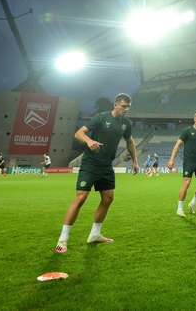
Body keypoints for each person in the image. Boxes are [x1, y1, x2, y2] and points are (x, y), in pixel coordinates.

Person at [54, 93, 138, 253]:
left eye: (128, 107)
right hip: (91, 163)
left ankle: (95, 234)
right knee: (80, 198)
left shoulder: (126, 123)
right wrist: (89, 141)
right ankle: (62, 239)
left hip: (106, 166)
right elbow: (79, 133)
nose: (125, 109)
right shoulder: (101, 118)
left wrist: (135, 161)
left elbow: (130, 141)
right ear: (115, 105)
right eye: (123, 106)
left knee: (108, 198)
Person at [168, 112, 196, 216]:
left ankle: (193, 203)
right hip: (189, 161)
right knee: (187, 183)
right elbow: (177, 145)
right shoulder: (187, 131)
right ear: (194, 119)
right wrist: (171, 159)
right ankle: (179, 209)